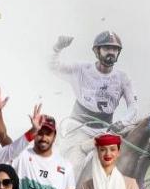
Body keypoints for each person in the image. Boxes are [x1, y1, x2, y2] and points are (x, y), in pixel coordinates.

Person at [51, 31, 137, 175]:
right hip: (79, 129)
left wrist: (123, 122)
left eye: (115, 49)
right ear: (97, 51)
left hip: (105, 131)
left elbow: (133, 107)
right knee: (74, 166)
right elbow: (53, 66)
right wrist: (57, 48)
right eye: (107, 48)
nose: (111, 52)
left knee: (125, 166)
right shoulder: (81, 69)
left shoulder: (123, 78)